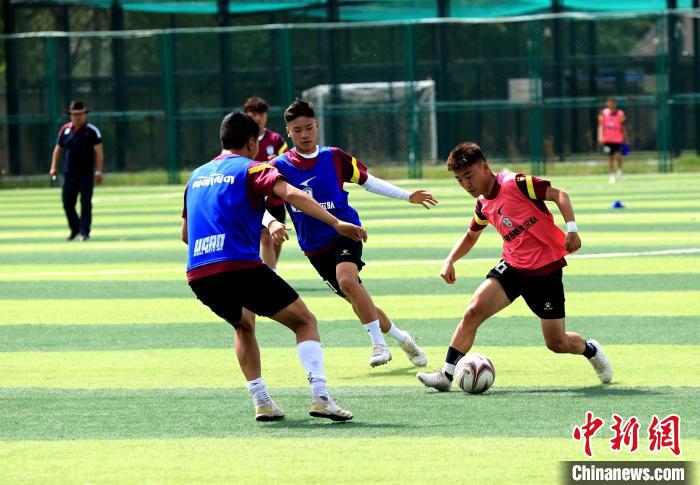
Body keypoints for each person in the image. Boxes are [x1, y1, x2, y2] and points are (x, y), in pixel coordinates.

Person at [182, 111, 363, 422]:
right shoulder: (253, 168)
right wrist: (336, 223)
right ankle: (321, 397)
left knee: (243, 325)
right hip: (240, 267)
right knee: (305, 321)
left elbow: (186, 235)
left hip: (199, 273)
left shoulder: (196, 176)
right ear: (252, 143)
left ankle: (262, 401)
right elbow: (291, 193)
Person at [416, 141, 612, 392]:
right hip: (513, 267)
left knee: (557, 343)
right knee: (473, 312)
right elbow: (471, 235)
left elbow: (559, 195)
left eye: (468, 176)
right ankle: (446, 375)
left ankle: (590, 349)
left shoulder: (516, 183)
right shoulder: (483, 203)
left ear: (484, 168)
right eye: (459, 180)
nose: (466, 184)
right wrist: (450, 260)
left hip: (545, 271)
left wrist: (572, 230)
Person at [270, 99, 436, 368]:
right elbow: (253, 201)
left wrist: (408, 196)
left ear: (317, 126)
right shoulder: (278, 166)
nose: (305, 135)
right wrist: (271, 222)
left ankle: (379, 346)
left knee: (347, 281)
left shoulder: (334, 157)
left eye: (309, 128)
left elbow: (369, 182)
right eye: (297, 130)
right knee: (358, 299)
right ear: (288, 132)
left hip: (347, 231)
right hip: (314, 247)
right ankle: (403, 338)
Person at [244, 96, 289, 271]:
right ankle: (270, 278)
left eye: (261, 114)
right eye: (253, 114)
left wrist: (278, 160)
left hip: (275, 199)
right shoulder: (242, 140)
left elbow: (288, 164)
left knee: (277, 239)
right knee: (265, 236)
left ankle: (270, 271)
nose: (258, 118)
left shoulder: (276, 140)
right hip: (254, 198)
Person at [49, 100, 104, 241]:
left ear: (85, 114)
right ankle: (75, 229)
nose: (77, 117)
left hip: (86, 174)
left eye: (80, 114)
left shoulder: (92, 131)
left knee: (86, 204)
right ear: (71, 115)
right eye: (74, 114)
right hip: (69, 174)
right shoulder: (65, 130)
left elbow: (99, 152)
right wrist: (53, 166)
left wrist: (98, 171)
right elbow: (58, 148)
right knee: (67, 203)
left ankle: (85, 232)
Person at [598, 97, 628, 184]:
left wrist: (625, 137)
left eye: (613, 102)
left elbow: (623, 126)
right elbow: (601, 125)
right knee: (610, 157)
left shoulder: (620, 113)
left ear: (615, 103)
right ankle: (612, 175)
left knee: (618, 156)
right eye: (610, 102)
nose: (611, 104)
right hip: (607, 140)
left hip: (618, 139)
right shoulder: (603, 113)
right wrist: (600, 136)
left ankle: (620, 171)